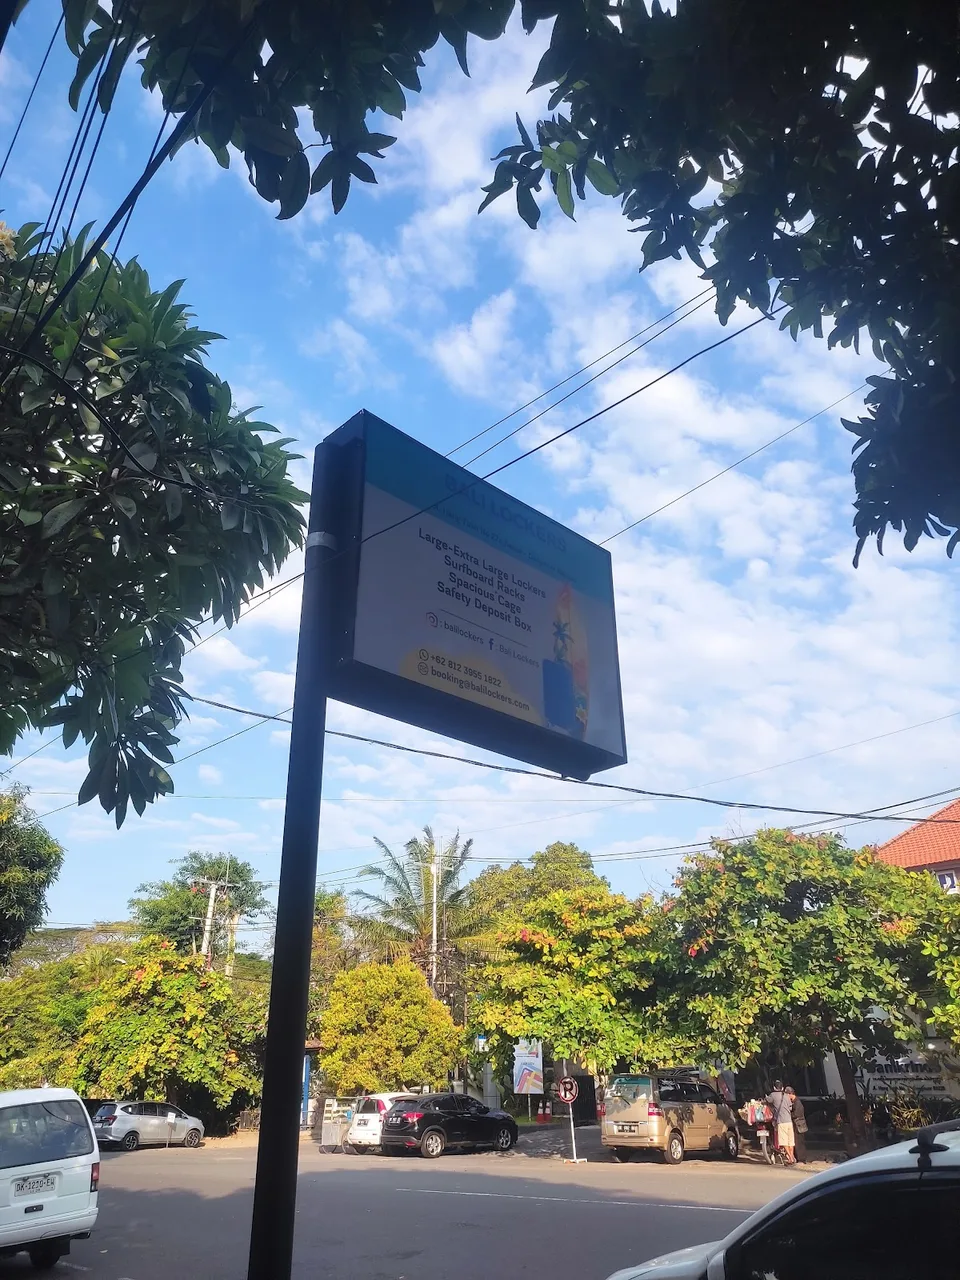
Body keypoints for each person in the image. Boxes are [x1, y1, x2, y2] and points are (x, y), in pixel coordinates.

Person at [765, 1080, 796, 1164]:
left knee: (784, 1141)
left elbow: (767, 1100)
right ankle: (792, 1157)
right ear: (782, 1088)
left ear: (774, 1087)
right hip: (789, 1121)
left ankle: (790, 1158)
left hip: (781, 1121)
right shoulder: (786, 1095)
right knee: (791, 1141)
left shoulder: (772, 1095)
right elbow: (790, 1107)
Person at [788, 1086, 807, 1164]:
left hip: (799, 1125)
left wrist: (789, 1114)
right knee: (796, 1142)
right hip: (797, 1124)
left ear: (790, 1094)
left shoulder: (797, 1102)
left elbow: (797, 1114)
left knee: (799, 1142)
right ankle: (798, 1158)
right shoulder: (794, 1102)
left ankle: (801, 1159)